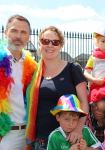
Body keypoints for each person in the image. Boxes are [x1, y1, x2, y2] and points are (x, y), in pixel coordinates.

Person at [25, 26, 89, 149]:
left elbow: (83, 102)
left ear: (61, 46)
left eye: (55, 42)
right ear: (40, 44)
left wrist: (78, 130)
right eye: (45, 41)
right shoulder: (34, 72)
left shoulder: (72, 69)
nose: (50, 45)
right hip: (41, 140)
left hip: (67, 140)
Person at [0, 15, 37, 150]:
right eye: (14, 31)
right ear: (6, 33)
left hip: (29, 135)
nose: (18, 36)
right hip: (5, 135)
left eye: (23, 32)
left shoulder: (32, 66)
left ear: (28, 37)